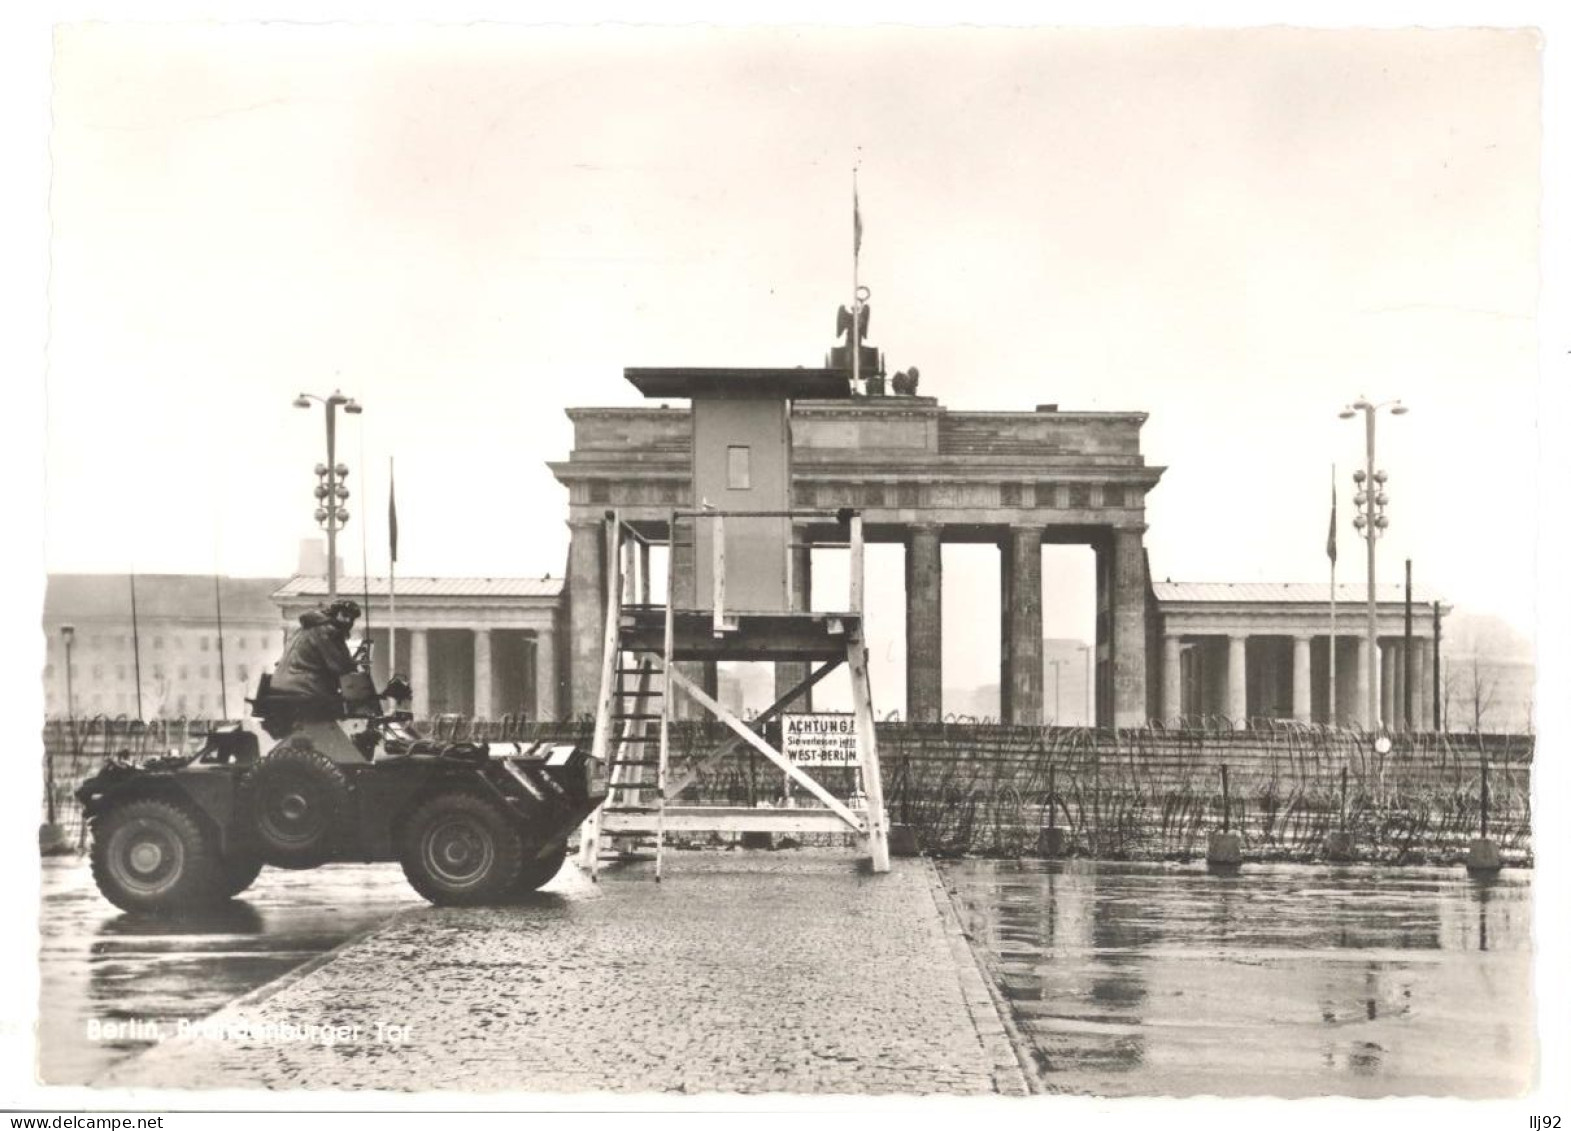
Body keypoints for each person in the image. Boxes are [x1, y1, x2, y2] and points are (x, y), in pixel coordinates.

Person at [267, 598, 366, 721]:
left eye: (352, 618)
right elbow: (341, 666)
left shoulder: (302, 630)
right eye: (344, 615)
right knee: (348, 711)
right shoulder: (329, 631)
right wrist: (356, 667)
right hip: (305, 690)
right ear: (334, 614)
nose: (348, 621)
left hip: (277, 688)